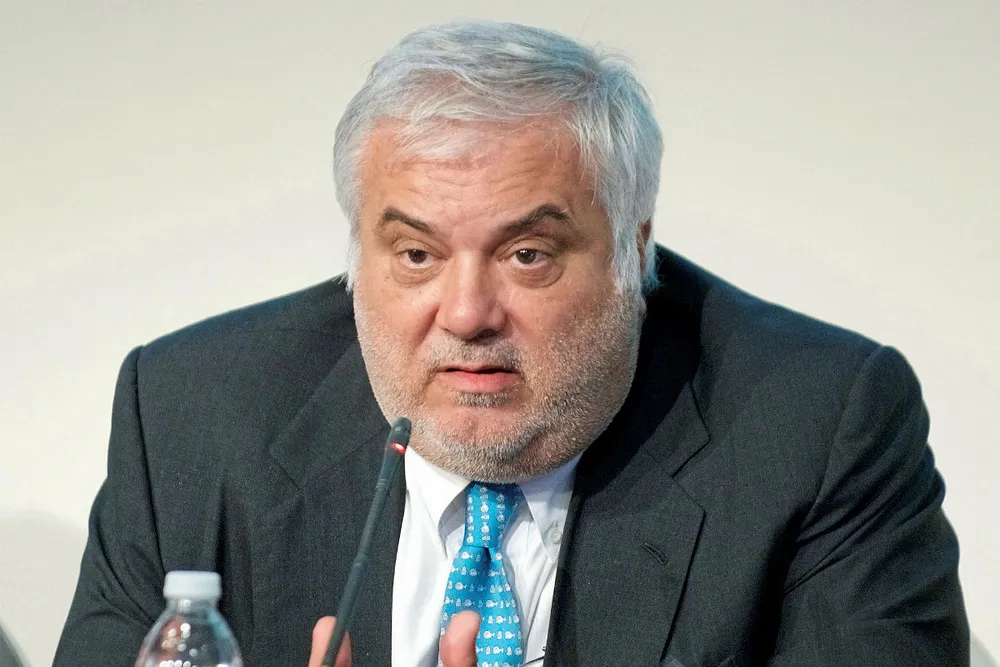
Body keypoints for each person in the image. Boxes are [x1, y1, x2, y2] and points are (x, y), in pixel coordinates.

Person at [54, 19, 968, 667]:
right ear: (357, 253)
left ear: (633, 250)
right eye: (416, 254)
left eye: (527, 254)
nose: (466, 313)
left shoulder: (815, 427)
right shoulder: (190, 417)